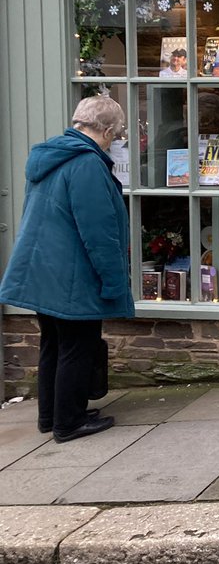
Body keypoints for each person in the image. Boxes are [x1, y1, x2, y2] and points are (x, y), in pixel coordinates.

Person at [0, 96, 134, 442]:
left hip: (43, 270)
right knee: (78, 346)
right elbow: (99, 232)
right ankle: (69, 422)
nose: (114, 141)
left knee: (53, 344)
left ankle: (51, 415)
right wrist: (114, 283)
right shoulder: (86, 165)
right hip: (72, 274)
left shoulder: (51, 156)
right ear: (104, 130)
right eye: (115, 135)